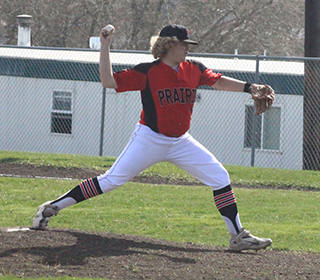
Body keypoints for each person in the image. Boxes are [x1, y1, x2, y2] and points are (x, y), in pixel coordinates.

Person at [32, 24, 272, 252]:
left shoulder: (194, 68)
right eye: (183, 44)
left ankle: (238, 236)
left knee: (219, 176)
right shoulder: (148, 71)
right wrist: (105, 47)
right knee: (111, 180)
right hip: (150, 138)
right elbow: (108, 81)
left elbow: (217, 80)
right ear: (168, 44)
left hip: (180, 141)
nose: (187, 48)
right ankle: (51, 207)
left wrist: (250, 87)